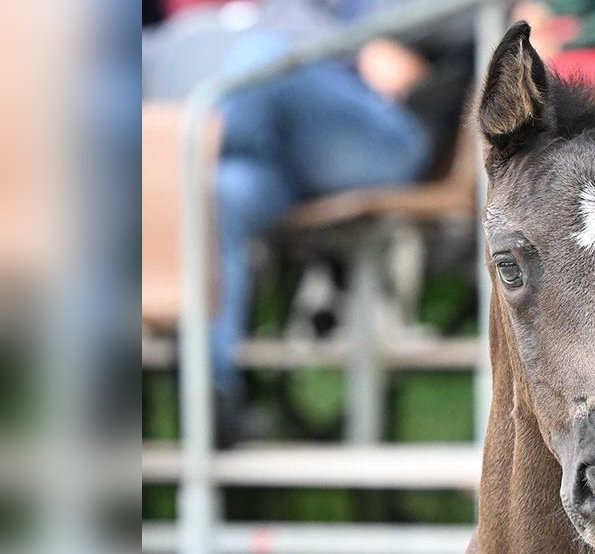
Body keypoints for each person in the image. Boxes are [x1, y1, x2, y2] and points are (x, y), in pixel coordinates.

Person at [143, 0, 472, 445]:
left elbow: (459, 21)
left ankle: (180, 148)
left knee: (263, 58)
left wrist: (372, 42)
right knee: (218, 194)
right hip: (267, 151)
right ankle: (212, 396)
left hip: (370, 130)